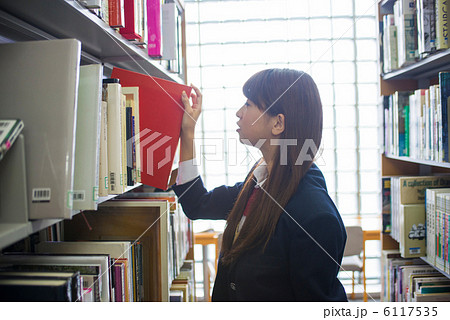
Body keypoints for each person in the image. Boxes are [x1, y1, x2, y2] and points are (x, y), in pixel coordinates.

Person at [172, 68, 348, 301]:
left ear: (278, 123)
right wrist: (188, 132)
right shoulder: (259, 181)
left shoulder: (315, 216)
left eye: (248, 104)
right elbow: (198, 204)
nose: (238, 113)